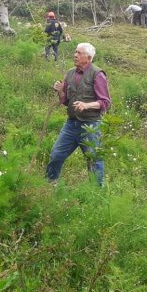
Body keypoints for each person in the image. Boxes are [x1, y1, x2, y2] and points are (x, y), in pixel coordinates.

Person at [46, 42, 111, 187]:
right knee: (56, 154)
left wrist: (86, 105)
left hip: (90, 126)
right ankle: (50, 185)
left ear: (88, 57)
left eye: (79, 53)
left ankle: (96, 193)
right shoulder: (70, 73)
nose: (75, 55)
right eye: (75, 52)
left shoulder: (97, 74)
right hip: (71, 124)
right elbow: (66, 101)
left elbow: (105, 102)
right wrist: (60, 90)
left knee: (94, 160)